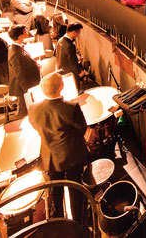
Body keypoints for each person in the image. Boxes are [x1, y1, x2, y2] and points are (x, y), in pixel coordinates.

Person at [28, 72, 89, 218]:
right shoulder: (71, 108)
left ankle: (59, 218)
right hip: (72, 156)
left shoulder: (33, 108)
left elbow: (35, 126)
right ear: (61, 87)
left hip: (49, 156)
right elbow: (82, 129)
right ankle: (78, 221)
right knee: (76, 189)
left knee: (56, 190)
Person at [8, 25, 41, 118]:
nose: (27, 32)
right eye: (25, 32)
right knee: (27, 114)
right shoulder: (15, 52)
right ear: (19, 36)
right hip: (23, 90)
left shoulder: (17, 47)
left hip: (27, 86)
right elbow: (19, 75)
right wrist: (29, 92)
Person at [56, 23, 86, 89]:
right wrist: (80, 72)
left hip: (60, 71)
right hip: (70, 75)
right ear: (73, 32)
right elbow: (72, 63)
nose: (78, 35)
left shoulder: (60, 40)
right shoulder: (70, 45)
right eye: (78, 33)